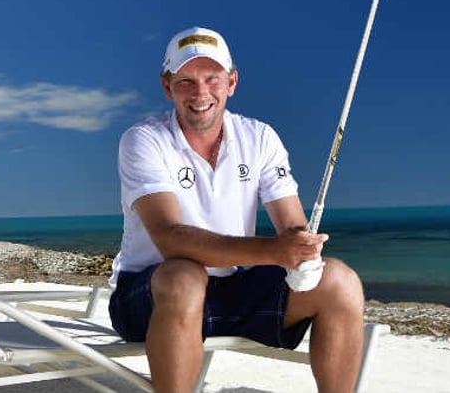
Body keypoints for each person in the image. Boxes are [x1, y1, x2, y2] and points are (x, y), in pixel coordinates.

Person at [108, 26, 366, 393]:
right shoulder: (143, 140)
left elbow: (290, 223)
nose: (201, 93)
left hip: (233, 289)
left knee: (340, 281)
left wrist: (301, 252)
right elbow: (170, 239)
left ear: (232, 82)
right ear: (167, 86)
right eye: (186, 81)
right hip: (152, 296)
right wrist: (274, 253)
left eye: (212, 79)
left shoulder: (259, 137)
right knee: (185, 277)